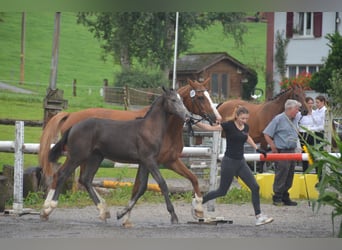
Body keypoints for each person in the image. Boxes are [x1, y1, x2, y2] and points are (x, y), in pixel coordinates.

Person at [195, 105, 274, 226]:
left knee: (255, 187)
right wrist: (196, 123)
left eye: (246, 118)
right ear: (237, 116)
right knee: (222, 191)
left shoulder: (245, 127)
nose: (245, 121)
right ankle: (199, 201)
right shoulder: (229, 125)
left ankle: (259, 216)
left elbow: (247, 137)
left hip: (240, 162)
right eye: (242, 118)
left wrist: (256, 148)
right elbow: (211, 128)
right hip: (229, 162)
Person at [263, 99, 302, 206]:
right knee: (281, 173)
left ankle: (285, 195)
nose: (298, 111)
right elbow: (267, 133)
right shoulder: (278, 119)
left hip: (291, 151)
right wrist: (272, 145)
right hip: (282, 150)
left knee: (290, 173)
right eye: (296, 109)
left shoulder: (294, 119)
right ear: (289, 109)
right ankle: (277, 196)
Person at [298, 97, 316, 172]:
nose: (310, 105)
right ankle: (305, 169)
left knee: (312, 151)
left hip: (311, 133)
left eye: (312, 103)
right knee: (304, 151)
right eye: (309, 103)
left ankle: (313, 168)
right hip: (303, 134)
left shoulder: (315, 113)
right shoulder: (300, 114)